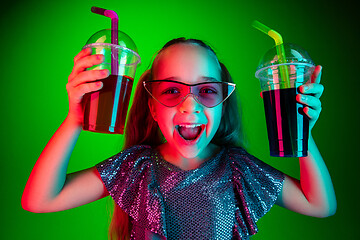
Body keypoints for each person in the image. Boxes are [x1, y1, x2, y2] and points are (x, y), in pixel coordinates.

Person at [22, 38, 337, 240]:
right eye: (172, 90)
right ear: (153, 108)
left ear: (222, 104)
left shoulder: (239, 169)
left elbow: (320, 204)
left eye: (207, 90)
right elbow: (39, 200)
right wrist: (75, 119)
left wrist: (302, 130)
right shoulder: (135, 168)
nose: (191, 105)